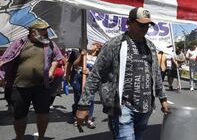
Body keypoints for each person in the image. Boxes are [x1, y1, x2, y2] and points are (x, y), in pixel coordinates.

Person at [76, 7, 169, 140]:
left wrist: (163, 99)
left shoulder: (150, 46)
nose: (144, 28)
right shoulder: (115, 44)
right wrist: (83, 105)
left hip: (145, 108)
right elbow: (96, 75)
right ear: (129, 23)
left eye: (147, 25)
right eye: (141, 24)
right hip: (122, 108)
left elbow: (156, 74)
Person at [0, 21, 63, 140]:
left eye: (46, 30)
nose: (46, 32)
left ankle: (41, 137)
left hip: (42, 86)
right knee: (19, 115)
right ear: (33, 32)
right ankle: (19, 137)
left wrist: (50, 71)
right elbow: (5, 58)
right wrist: (2, 75)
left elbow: (57, 58)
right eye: (43, 30)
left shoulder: (49, 44)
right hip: (19, 86)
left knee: (43, 113)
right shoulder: (20, 43)